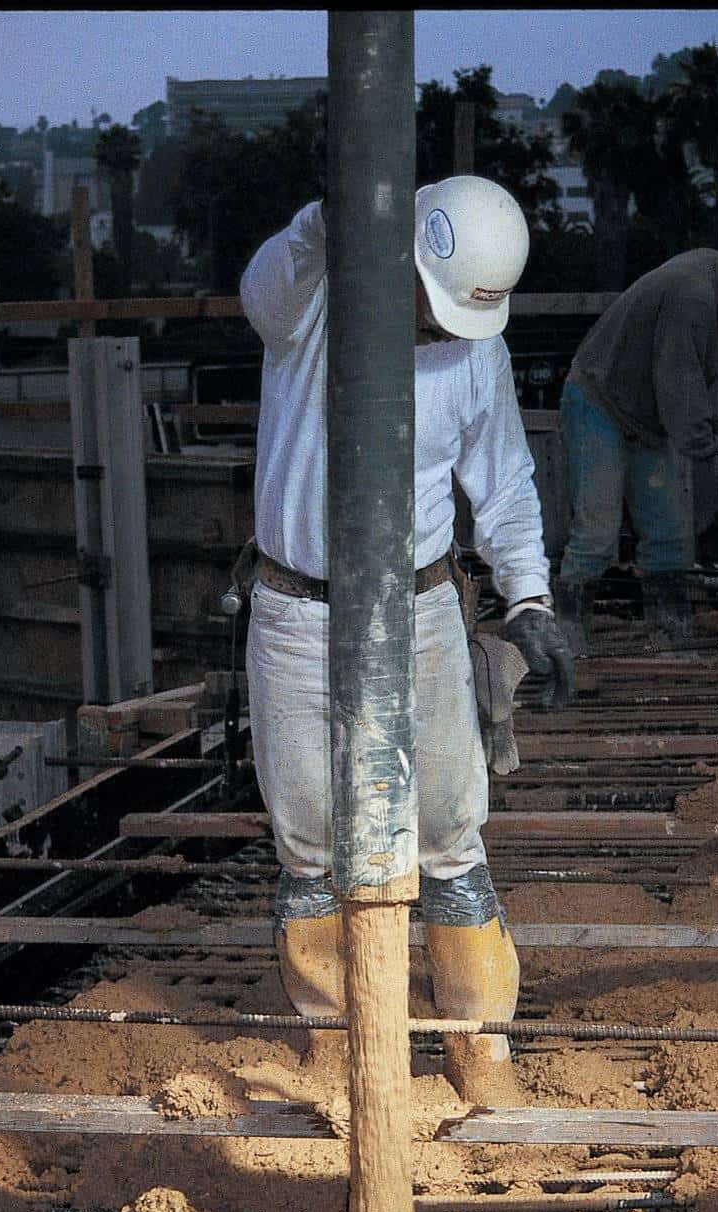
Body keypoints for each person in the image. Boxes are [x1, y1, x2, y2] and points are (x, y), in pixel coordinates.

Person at [239, 175, 574, 1104]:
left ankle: (479, 1053)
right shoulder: (309, 308)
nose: (439, 334)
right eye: (430, 313)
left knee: (450, 835)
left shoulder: (478, 351)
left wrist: (530, 599)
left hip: (421, 606)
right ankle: (337, 1054)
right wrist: (328, 214)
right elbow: (273, 276)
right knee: (309, 846)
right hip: (300, 609)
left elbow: (503, 483)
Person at [557, 228, 718, 648]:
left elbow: (686, 378)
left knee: (667, 535)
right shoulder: (694, 293)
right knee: (597, 533)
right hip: (599, 403)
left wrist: (711, 442)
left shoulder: (709, 270)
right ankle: (568, 637)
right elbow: (680, 386)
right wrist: (716, 452)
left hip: (641, 414)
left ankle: (669, 637)